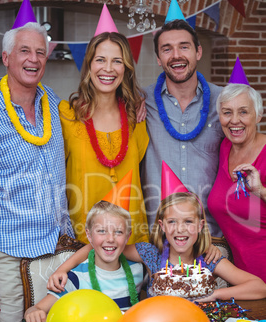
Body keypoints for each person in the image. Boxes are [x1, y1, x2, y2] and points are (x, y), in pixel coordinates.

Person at [0, 20, 73, 322]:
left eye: (40, 52)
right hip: (9, 249)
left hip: (56, 245)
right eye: (25, 51)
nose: (33, 59)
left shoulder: (53, 101)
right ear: (6, 57)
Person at [48, 191, 266, 301]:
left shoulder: (208, 259)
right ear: (162, 226)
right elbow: (102, 246)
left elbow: (259, 287)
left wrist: (217, 294)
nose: (180, 230)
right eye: (172, 222)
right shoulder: (151, 254)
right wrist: (62, 269)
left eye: (188, 222)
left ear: (200, 226)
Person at [60, 31, 149, 245]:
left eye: (117, 61)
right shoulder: (66, 116)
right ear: (89, 65)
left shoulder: (137, 118)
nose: (108, 68)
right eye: (100, 59)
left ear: (125, 68)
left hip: (131, 242)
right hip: (83, 242)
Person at [140, 19, 224, 236]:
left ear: (198, 52)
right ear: (159, 59)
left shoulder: (224, 102)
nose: (176, 55)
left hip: (211, 234)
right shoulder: (141, 101)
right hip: (159, 234)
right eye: (167, 49)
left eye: (184, 46)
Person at [24, 200, 144, 322]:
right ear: (89, 235)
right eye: (102, 231)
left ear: (127, 236)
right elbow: (36, 309)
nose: (110, 239)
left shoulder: (137, 269)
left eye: (118, 232)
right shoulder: (76, 278)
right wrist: (33, 313)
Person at [208, 83, 266, 282]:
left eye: (243, 112)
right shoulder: (225, 147)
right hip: (241, 278)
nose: (234, 120)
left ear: (258, 115)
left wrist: (261, 190)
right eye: (227, 112)